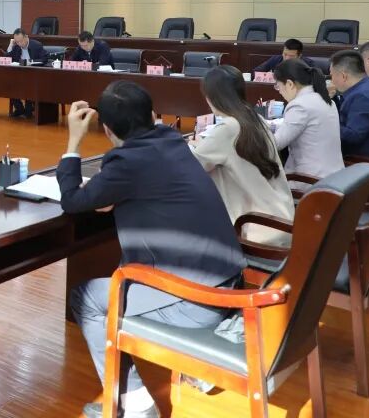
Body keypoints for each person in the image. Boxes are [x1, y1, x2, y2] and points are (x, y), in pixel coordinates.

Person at [60, 82, 244, 418]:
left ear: (107, 129)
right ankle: (194, 368)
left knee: (85, 299)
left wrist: (73, 142)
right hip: (227, 282)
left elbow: (72, 200)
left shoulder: (127, 162)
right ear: (152, 115)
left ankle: (135, 405)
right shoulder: (172, 141)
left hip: (197, 301)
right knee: (124, 268)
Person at [191, 66, 293, 245]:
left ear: (212, 97)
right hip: (282, 218)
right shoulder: (256, 118)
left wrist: (194, 146)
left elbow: (192, 166)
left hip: (257, 229)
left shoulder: (228, 128)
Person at [270, 58, 345, 179]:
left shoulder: (299, 105)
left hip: (310, 180)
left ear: (289, 84)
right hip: (335, 176)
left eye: (278, 86)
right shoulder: (327, 101)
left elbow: (275, 144)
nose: (279, 92)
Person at [5, 29, 46, 118]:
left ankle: (28, 110)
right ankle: (20, 109)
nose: (19, 44)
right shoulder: (16, 47)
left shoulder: (37, 45)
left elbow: (44, 59)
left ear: (26, 37)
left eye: (21, 41)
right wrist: (11, 45)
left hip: (33, 75)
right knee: (10, 84)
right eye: (17, 42)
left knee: (29, 84)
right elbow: (7, 58)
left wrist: (30, 62)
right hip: (19, 75)